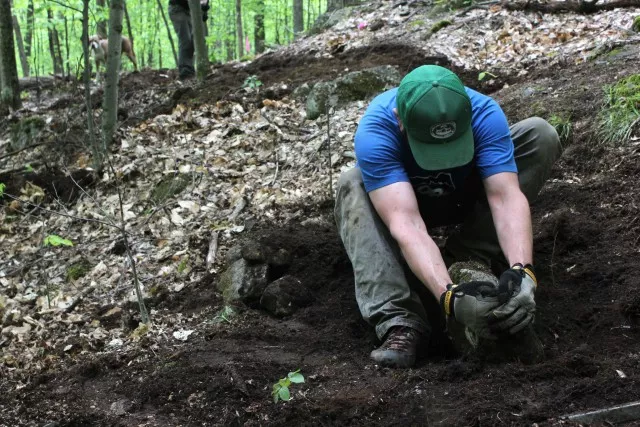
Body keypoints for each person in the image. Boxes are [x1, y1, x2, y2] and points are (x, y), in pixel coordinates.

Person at [334, 65, 561, 368]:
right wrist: (449, 298)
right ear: (400, 120)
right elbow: (407, 223)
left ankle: (468, 256)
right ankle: (400, 320)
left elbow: (505, 197)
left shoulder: (484, 112)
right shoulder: (376, 131)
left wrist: (524, 273)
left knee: (539, 134)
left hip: (465, 193)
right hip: (407, 201)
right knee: (352, 183)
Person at [168, 0, 209, 80]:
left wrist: (204, 11)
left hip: (190, 12)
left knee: (195, 40)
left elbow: (204, 3)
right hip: (177, 9)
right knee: (185, 40)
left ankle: (190, 69)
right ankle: (185, 72)